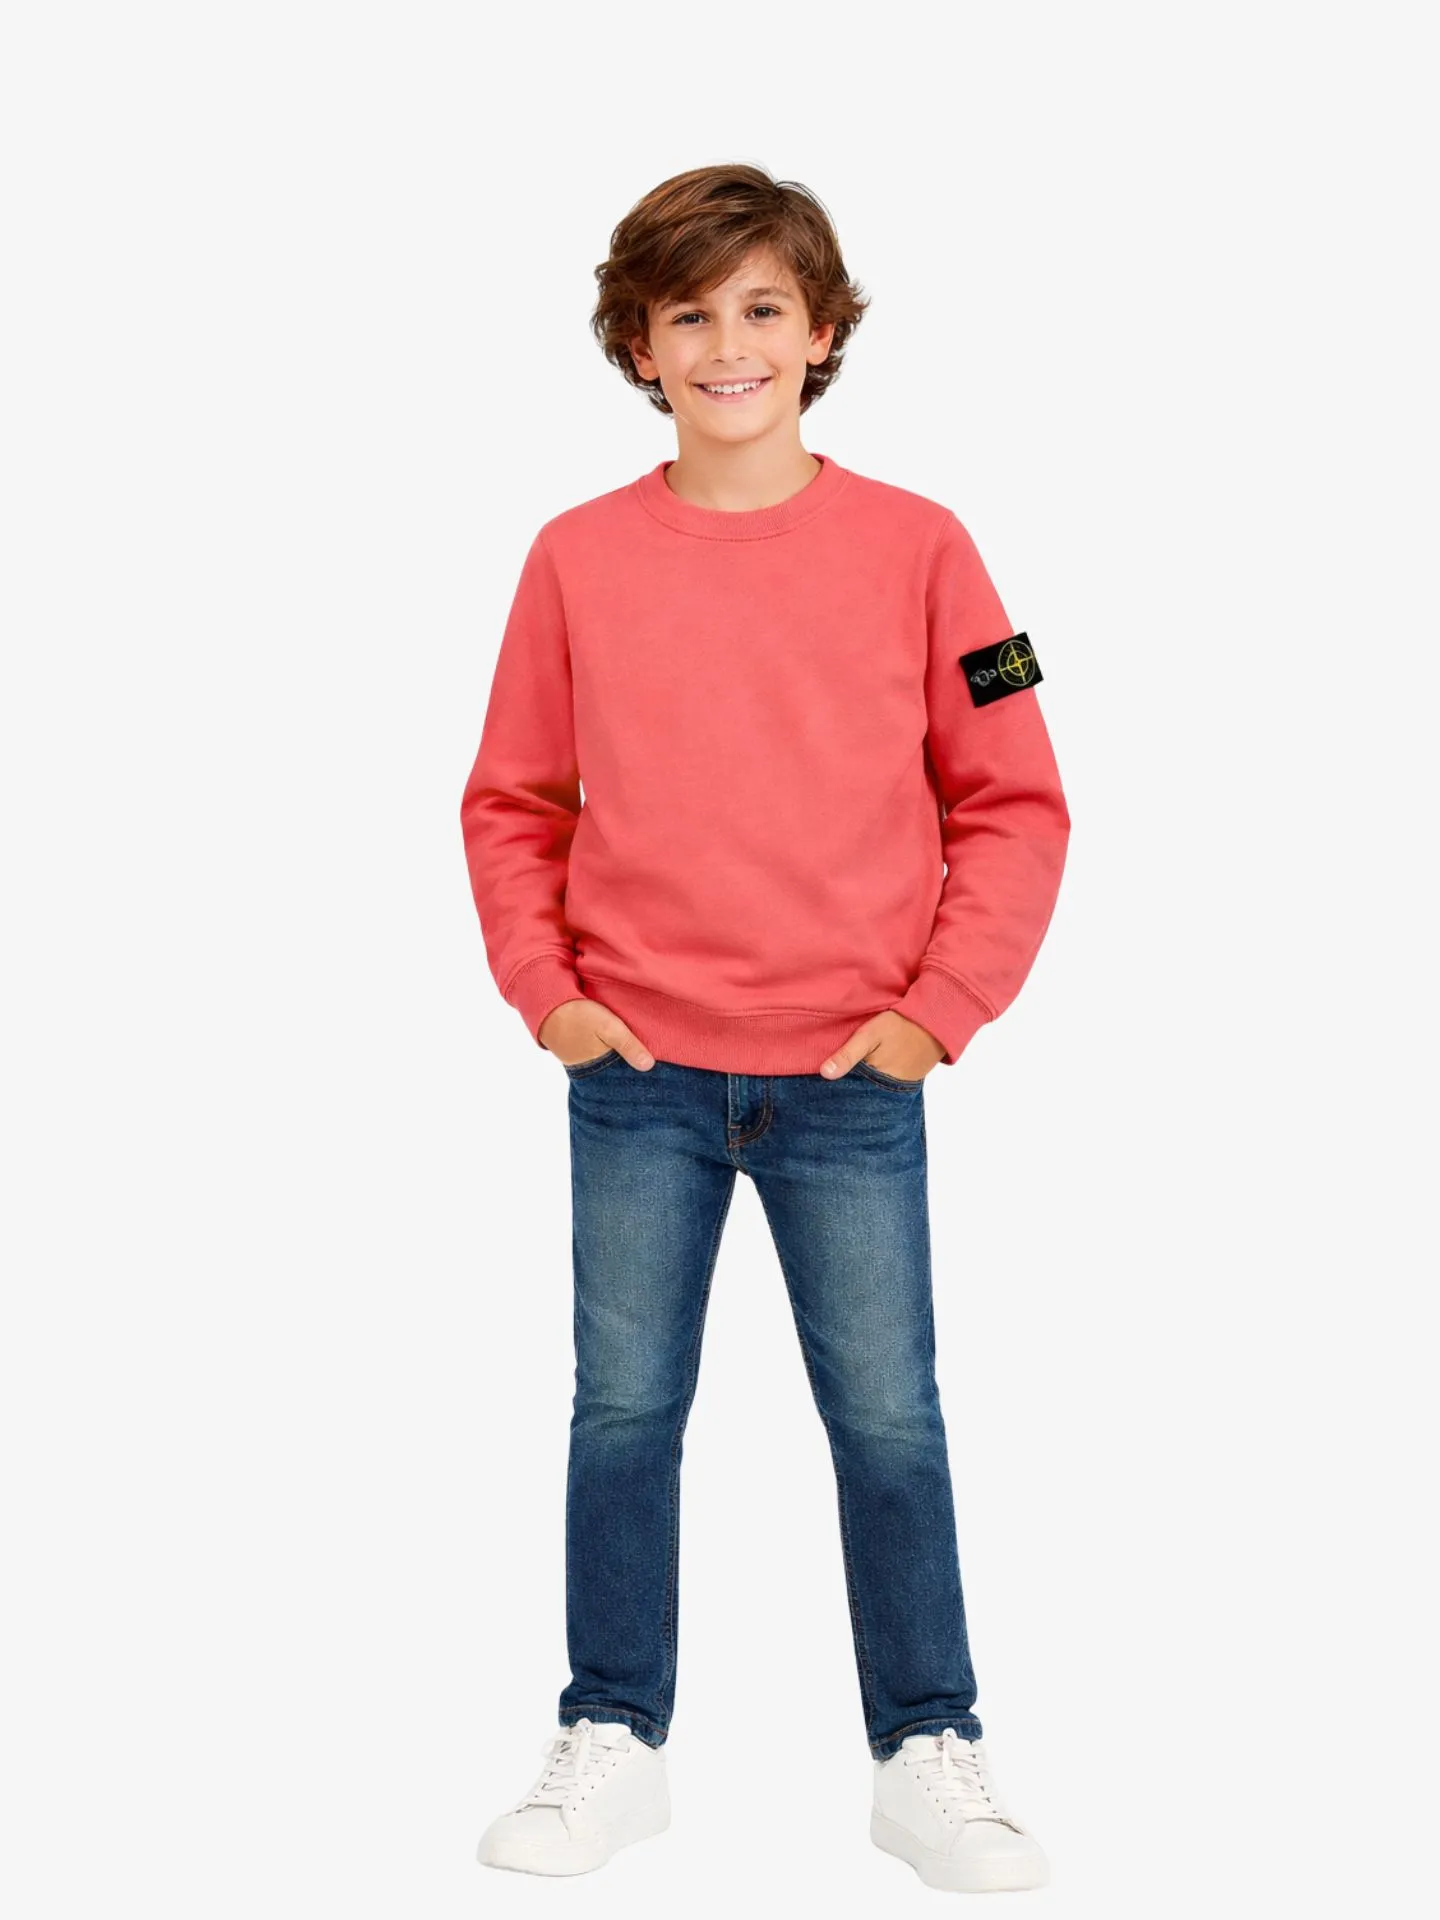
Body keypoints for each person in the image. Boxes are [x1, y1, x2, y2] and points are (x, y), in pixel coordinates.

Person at [459, 162, 1070, 1892]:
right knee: (622, 1413)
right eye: (689, 314)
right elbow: (510, 799)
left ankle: (928, 1745)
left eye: (761, 308)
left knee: (888, 1418)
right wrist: (551, 995)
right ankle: (613, 1735)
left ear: (820, 332)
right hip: (637, 1072)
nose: (728, 344)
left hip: (851, 1074)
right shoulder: (574, 558)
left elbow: (1018, 796)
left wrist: (940, 1012)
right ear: (638, 347)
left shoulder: (929, 549)